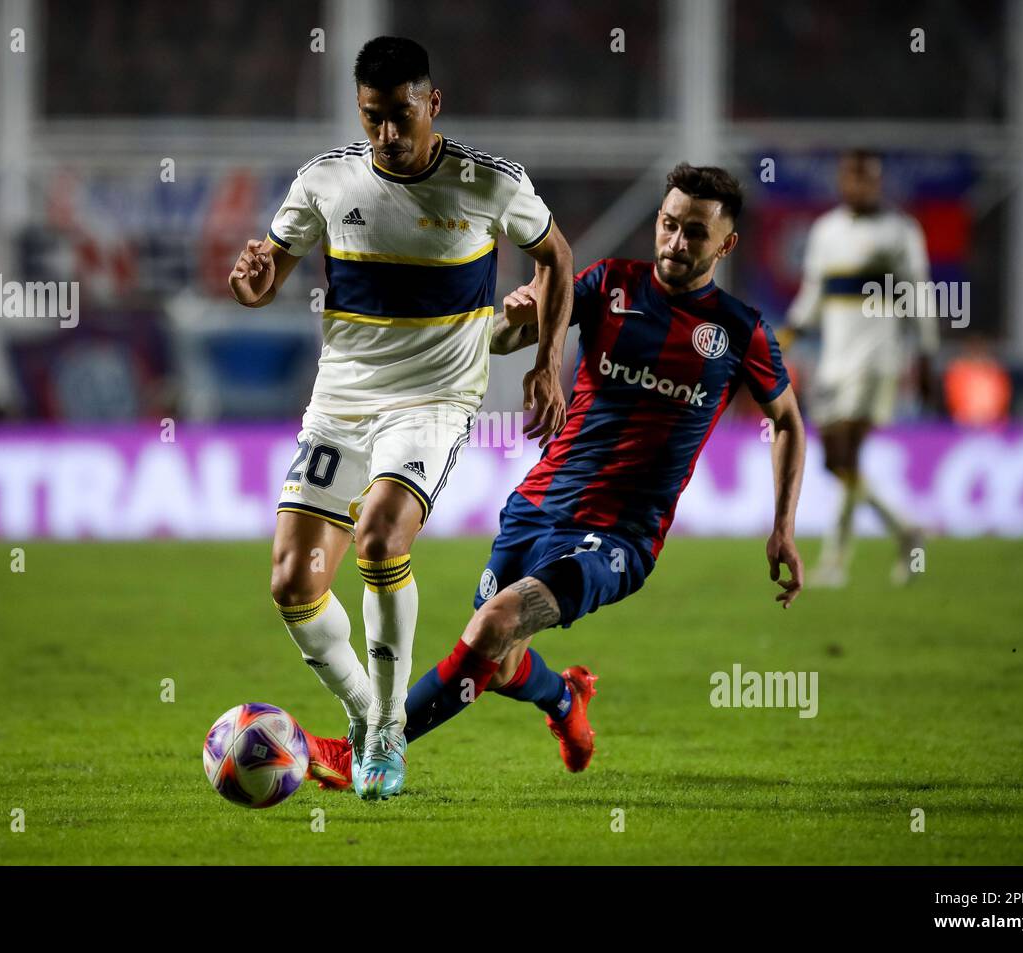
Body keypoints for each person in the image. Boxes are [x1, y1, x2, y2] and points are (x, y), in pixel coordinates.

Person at [304, 164, 806, 793]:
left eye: (696, 234)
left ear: (726, 244)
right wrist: (517, 314)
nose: (677, 243)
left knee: (491, 629)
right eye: (670, 225)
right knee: (500, 656)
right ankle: (565, 700)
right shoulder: (608, 284)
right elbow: (509, 339)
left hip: (620, 537)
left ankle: (369, 748)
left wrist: (783, 525)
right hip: (537, 506)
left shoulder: (739, 330)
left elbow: (786, 422)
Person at [228, 36, 573, 799]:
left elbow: (557, 257)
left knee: (382, 537)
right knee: (292, 582)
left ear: (433, 103)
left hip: (433, 402)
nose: (387, 135)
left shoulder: (489, 183)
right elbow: (265, 277)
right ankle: (364, 712)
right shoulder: (325, 180)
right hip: (342, 403)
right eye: (373, 118)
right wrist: (251, 284)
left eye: (401, 116)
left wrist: (544, 361)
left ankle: (388, 733)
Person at [787, 149, 937, 587]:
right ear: (842, 182)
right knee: (838, 460)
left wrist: (926, 354)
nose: (858, 187)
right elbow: (814, 291)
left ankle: (835, 562)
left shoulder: (900, 231)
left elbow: (920, 294)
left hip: (878, 358)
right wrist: (790, 333)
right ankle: (907, 530)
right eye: (851, 179)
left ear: (878, 182)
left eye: (867, 180)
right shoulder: (827, 230)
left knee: (843, 455)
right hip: (833, 360)